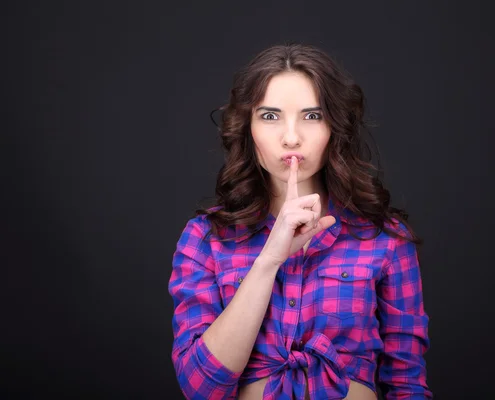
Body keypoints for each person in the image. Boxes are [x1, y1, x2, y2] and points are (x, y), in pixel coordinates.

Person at [168, 43, 432, 400]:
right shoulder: (205, 240)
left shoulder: (385, 240)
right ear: (247, 128)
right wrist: (269, 260)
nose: (291, 138)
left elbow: (407, 385)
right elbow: (200, 387)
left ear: (335, 127)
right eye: (270, 116)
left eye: (312, 116)